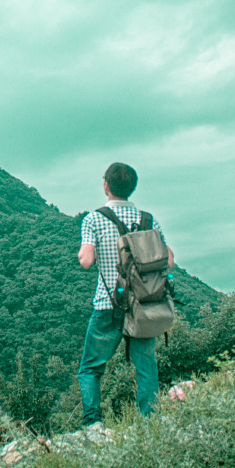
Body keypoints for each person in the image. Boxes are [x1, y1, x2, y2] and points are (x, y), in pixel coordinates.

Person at [76, 162, 174, 428]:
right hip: (143, 306)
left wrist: (87, 251)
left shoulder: (94, 219)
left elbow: (86, 261)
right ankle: (150, 422)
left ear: (106, 186)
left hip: (108, 305)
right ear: (133, 187)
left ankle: (93, 424)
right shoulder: (148, 219)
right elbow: (170, 260)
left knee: (90, 368)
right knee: (145, 367)